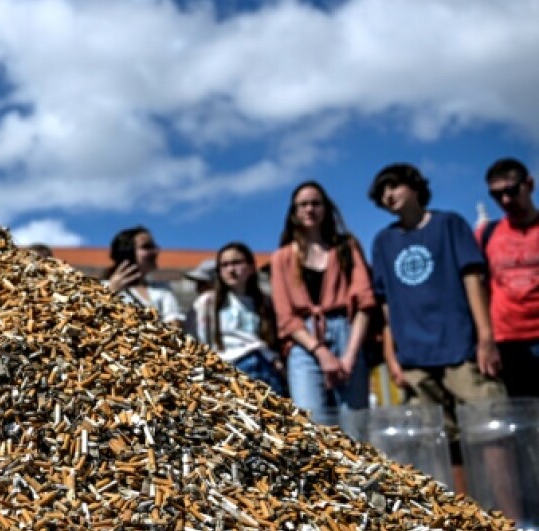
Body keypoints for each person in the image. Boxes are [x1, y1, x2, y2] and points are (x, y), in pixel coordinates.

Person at [368, 163, 505, 487]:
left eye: (395, 186)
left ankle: (510, 519)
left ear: (415, 187)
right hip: (416, 360)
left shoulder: (449, 225)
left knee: (490, 431)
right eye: (383, 191)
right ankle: (466, 521)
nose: (389, 195)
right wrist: (391, 356)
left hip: (461, 349)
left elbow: (472, 281)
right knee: (439, 445)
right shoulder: (384, 242)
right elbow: (385, 305)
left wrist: (486, 338)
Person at [271, 181, 376, 424]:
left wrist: (349, 355)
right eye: (303, 205)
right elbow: (285, 317)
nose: (309, 209)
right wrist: (321, 353)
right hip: (304, 341)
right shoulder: (282, 258)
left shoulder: (346, 247)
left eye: (315, 203)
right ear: (295, 212)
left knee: (355, 425)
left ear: (326, 208)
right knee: (313, 423)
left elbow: (364, 302)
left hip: (347, 333)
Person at [480, 157, 539, 397]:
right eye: (496, 195)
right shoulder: (486, 234)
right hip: (508, 341)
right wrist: (485, 341)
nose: (505, 200)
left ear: (530, 185)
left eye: (511, 191)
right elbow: (480, 289)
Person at [193, 242, 286, 396]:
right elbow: (197, 340)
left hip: (265, 367)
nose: (231, 269)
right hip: (228, 369)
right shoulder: (208, 302)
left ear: (250, 267)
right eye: (225, 265)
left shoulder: (264, 302)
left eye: (237, 263)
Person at [106, 227, 184, 326]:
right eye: (146, 247)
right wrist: (110, 292)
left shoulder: (162, 288)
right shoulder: (104, 287)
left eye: (154, 246)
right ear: (127, 252)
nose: (155, 251)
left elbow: (174, 322)